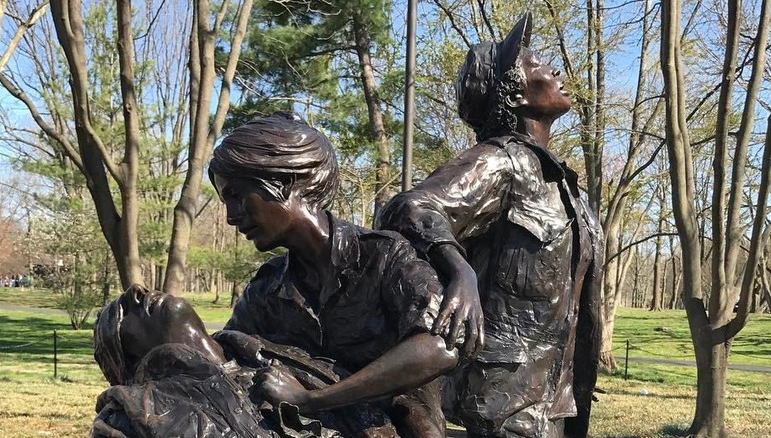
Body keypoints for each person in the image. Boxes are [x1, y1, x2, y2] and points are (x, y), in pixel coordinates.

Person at [377, 12, 603, 438]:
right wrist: (458, 269)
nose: (555, 70)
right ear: (515, 94)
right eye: (538, 65)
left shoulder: (562, 186)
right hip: (503, 406)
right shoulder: (502, 162)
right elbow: (408, 208)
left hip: (556, 402)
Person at [208, 111, 477, 437]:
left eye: (236, 195)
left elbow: (439, 349)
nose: (230, 217)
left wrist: (310, 400)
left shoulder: (385, 255)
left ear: (285, 182)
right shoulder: (267, 289)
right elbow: (226, 355)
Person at [91, 284, 402, 437]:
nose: (136, 290)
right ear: (129, 362)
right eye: (119, 315)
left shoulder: (285, 357)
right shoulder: (130, 415)